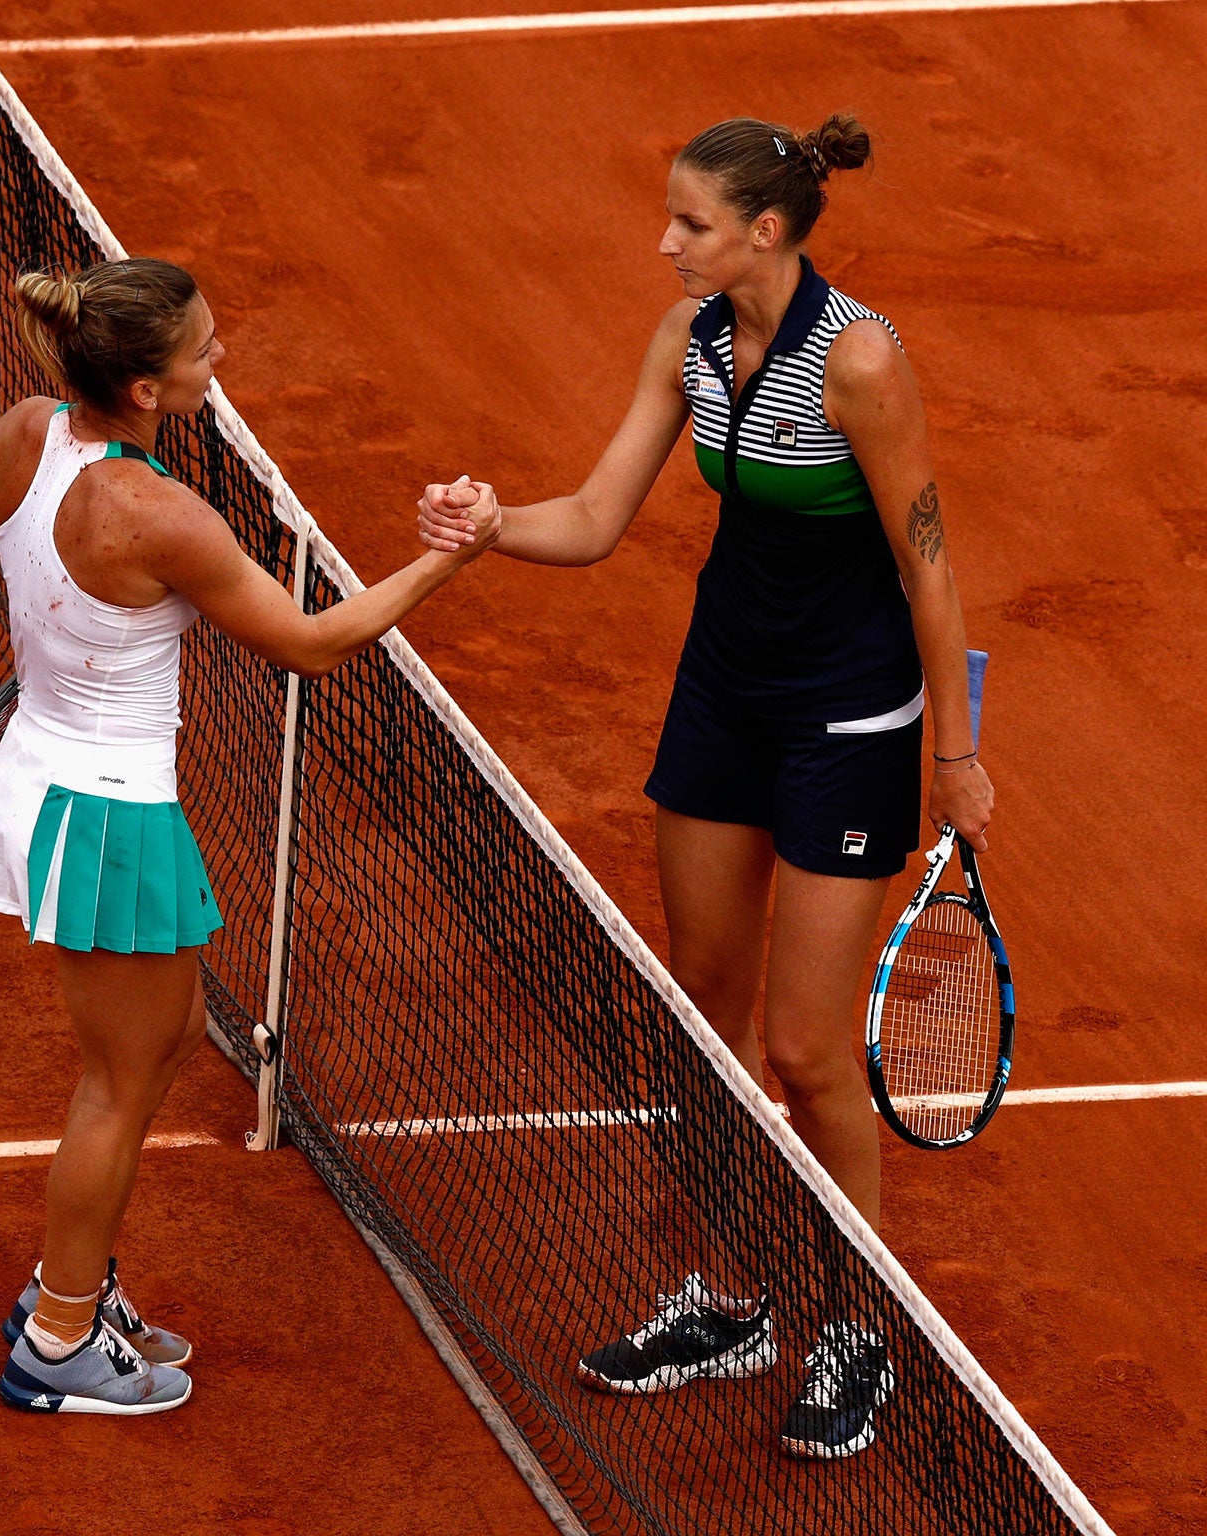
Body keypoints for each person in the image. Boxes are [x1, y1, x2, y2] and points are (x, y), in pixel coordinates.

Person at [417, 113, 994, 1459]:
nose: (663, 240)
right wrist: (493, 526)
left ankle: (853, 1328)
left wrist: (956, 755)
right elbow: (598, 515)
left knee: (803, 1049)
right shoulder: (687, 345)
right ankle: (730, 1299)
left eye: (689, 221)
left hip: (848, 721)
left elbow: (929, 562)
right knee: (705, 1021)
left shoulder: (858, 361)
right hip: (724, 699)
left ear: (767, 233)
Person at [0, 257, 501, 1415]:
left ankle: (74, 1291)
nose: (219, 364)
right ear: (143, 391)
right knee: (117, 1086)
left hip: (48, 788)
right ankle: (57, 1335)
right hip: (108, 818)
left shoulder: (23, 432)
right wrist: (445, 558)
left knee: (168, 1035)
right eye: (204, 352)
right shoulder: (154, 513)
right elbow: (312, 644)